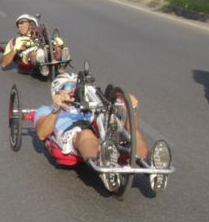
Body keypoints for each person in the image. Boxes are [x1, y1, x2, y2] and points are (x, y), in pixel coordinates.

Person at [32, 72, 170, 190]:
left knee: (123, 127)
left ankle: (152, 163)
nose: (73, 90)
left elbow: (131, 128)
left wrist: (131, 110)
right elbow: (41, 133)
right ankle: (104, 166)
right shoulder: (46, 110)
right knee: (86, 134)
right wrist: (57, 107)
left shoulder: (92, 105)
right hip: (73, 133)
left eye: (76, 86)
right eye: (67, 87)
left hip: (98, 127)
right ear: (56, 92)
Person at [0, 14, 65, 77]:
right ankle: (42, 66)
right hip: (28, 56)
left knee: (58, 49)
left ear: (31, 24)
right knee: (35, 53)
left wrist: (56, 42)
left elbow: (51, 44)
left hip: (46, 51)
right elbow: (4, 63)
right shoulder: (16, 40)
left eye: (22, 22)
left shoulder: (42, 36)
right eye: (18, 25)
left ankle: (61, 64)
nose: (19, 26)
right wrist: (15, 49)